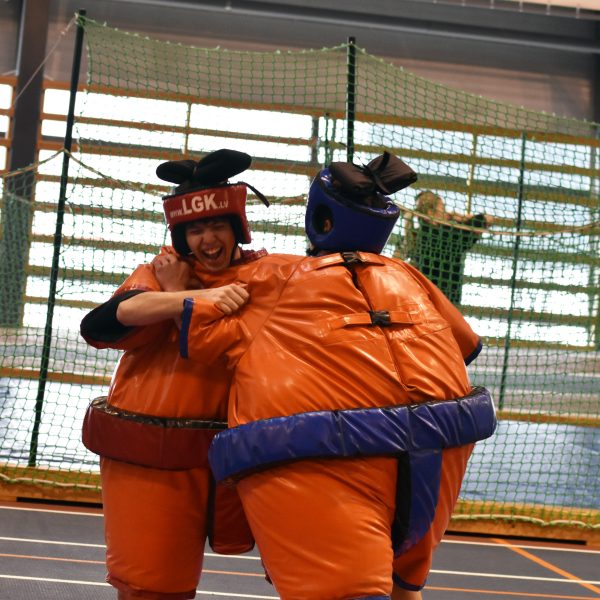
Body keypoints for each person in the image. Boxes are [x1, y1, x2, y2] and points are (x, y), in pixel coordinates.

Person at [174, 153, 496, 600]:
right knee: (403, 583)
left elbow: (201, 338)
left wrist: (177, 289)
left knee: (346, 590)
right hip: (441, 454)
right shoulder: (408, 275)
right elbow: (467, 347)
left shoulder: (276, 275)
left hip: (332, 456)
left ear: (320, 219)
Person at [79, 149, 268, 599]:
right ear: (181, 236)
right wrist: (189, 297)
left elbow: (234, 346)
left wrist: (181, 294)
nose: (208, 239)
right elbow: (102, 322)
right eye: (195, 229)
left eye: (216, 225)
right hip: (150, 453)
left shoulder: (264, 277)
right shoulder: (164, 271)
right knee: (150, 583)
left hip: (228, 452)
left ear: (237, 226)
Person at [404, 190, 493, 304]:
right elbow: (488, 219)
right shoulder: (449, 234)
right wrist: (461, 217)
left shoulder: (417, 234)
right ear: (431, 212)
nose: (446, 212)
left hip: (421, 297)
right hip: (445, 299)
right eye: (443, 208)